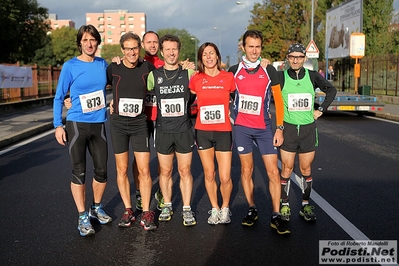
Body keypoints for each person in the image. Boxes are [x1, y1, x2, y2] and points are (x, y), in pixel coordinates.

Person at [53, 25, 112, 237]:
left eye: (93, 40)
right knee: (79, 171)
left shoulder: (103, 64)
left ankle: (96, 208)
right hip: (76, 123)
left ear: (97, 42)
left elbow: (118, 83)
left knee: (102, 171)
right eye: (85, 40)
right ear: (80, 42)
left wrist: (112, 104)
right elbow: (59, 97)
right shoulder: (70, 66)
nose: (89, 43)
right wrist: (57, 125)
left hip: (98, 124)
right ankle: (82, 217)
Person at [228, 30, 289, 234]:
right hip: (243, 129)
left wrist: (279, 128)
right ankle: (252, 208)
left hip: (264, 128)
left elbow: (279, 102)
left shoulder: (269, 70)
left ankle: (275, 214)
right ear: (243, 47)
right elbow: (223, 93)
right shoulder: (234, 70)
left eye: (258, 47)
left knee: (273, 172)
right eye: (250, 46)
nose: (254, 51)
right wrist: (231, 113)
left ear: (261, 48)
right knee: (247, 170)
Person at [277, 43, 337, 223]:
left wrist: (321, 110)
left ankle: (305, 204)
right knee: (287, 168)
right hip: (288, 128)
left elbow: (331, 90)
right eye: (292, 57)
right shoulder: (280, 76)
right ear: (288, 58)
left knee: (305, 169)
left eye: (299, 57)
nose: (295, 60)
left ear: (304, 59)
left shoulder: (312, 76)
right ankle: (285, 204)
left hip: (308, 129)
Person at [107, 32, 157, 230]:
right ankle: (128, 209)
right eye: (128, 48)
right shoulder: (113, 68)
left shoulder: (148, 67)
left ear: (139, 48)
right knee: (122, 169)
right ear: (122, 50)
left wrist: (186, 69)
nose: (132, 52)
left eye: (135, 47)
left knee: (144, 169)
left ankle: (146, 211)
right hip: (119, 124)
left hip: (139, 124)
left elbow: (167, 80)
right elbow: (92, 86)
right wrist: (70, 99)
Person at [147, 34, 197, 226]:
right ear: (162, 51)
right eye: (167, 49)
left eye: (174, 49)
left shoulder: (188, 74)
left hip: (184, 130)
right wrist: (113, 103)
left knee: (185, 171)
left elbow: (205, 89)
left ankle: (186, 208)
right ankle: (167, 204)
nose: (171, 52)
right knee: (166, 171)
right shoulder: (154, 76)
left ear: (179, 50)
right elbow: (135, 90)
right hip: (163, 130)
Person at [189, 42, 236, 224]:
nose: (208, 57)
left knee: (224, 177)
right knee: (209, 174)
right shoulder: (196, 79)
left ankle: (225, 208)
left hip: (224, 131)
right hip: (203, 132)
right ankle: (214, 208)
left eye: (211, 53)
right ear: (201, 59)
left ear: (217, 56)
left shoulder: (228, 77)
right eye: (204, 54)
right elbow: (186, 98)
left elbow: (238, 99)